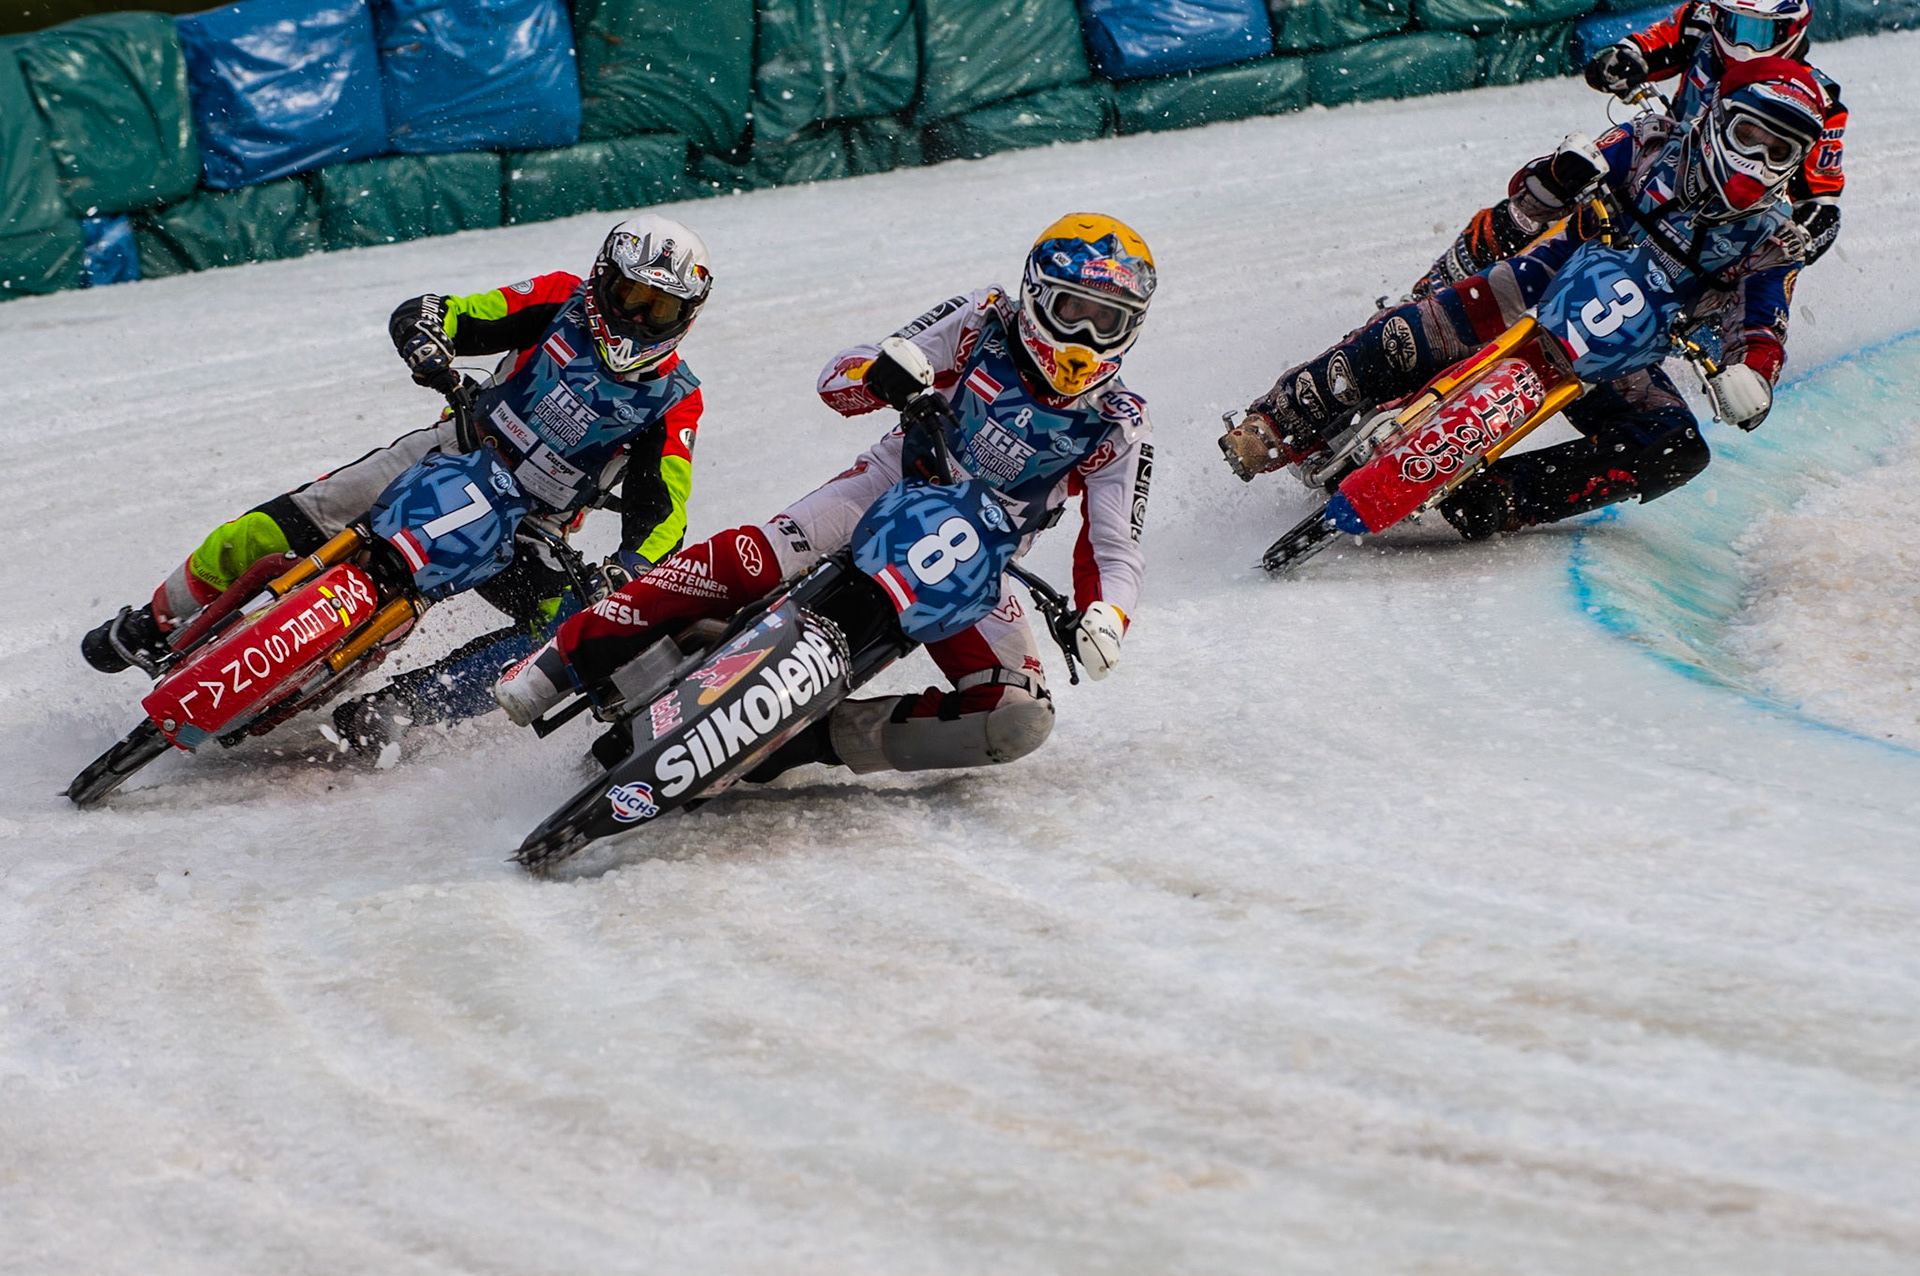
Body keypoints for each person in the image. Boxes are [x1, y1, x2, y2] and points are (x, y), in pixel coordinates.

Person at [493, 213, 1157, 781]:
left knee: (1017, 717)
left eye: (1110, 320)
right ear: (1038, 295)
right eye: (1077, 310)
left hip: (978, 564)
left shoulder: (1120, 420)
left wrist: (1107, 616)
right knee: (756, 556)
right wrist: (887, 372)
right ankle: (563, 659)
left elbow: (1115, 543)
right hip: (892, 483)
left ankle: (804, 746)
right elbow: (838, 379)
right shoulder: (983, 318)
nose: (1087, 337)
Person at [80, 215, 713, 755]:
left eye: (659, 308)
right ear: (602, 277)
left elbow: (663, 510)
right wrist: (427, 341)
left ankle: (408, 708)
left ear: (686, 315)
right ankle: (154, 622)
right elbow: (453, 313)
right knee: (295, 517)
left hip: (532, 528)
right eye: (629, 294)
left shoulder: (676, 401)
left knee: (568, 629)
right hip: (451, 448)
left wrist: (631, 569)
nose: (636, 317)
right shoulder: (556, 297)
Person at [1220, 59, 1825, 541]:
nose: (1760, 159)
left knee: (1676, 448)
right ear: (1719, 119)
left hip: (1627, 353)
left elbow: (1763, 326)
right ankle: (1278, 421)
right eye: (1751, 134)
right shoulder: (1649, 143)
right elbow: (1532, 201)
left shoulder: (1775, 240)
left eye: (1781, 152)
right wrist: (1561, 175)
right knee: (1414, 331)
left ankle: (1501, 497)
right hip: (1542, 280)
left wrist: (1754, 376)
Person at [1412, 0, 1844, 298]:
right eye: (1735, 25)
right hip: (1655, 168)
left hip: (1729, 222)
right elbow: (1643, 47)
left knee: (1730, 313)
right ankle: (1443, 283)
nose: (1743, 45)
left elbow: (1823, 203)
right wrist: (1620, 61)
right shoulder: (1700, 22)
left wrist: (1801, 236)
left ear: (1795, 30)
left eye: (1761, 32)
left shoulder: (1817, 100)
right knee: (1556, 187)